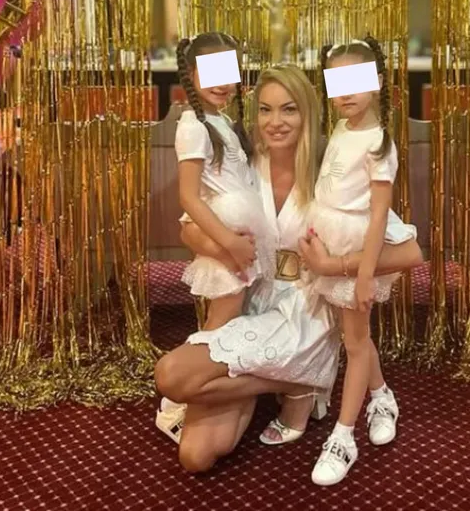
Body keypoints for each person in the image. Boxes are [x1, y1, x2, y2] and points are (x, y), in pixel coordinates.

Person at [154, 64, 423, 474]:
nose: (275, 122)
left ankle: (303, 370)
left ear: (308, 112)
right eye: (265, 109)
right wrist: (225, 248)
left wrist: (332, 264)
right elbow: (188, 229)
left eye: (289, 109)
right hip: (252, 305)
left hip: (306, 313)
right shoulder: (244, 164)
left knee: (176, 381)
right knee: (196, 455)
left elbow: (410, 252)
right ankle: (297, 381)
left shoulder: (332, 168)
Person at [308, 39, 418, 486]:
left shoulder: (378, 143)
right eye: (336, 83)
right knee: (354, 336)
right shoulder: (341, 128)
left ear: (376, 82)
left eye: (355, 81)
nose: (345, 93)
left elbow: (378, 213)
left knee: (354, 343)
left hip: (355, 246)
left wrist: (366, 273)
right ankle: (382, 396)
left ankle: (343, 436)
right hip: (331, 234)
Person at [174, 32, 276, 332]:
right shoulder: (193, 127)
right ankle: (197, 360)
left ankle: (216, 359)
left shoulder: (220, 121)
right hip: (224, 231)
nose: (222, 84)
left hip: (238, 228)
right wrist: (229, 243)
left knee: (235, 311)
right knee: (224, 314)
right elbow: (188, 197)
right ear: (191, 73)